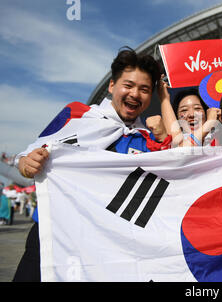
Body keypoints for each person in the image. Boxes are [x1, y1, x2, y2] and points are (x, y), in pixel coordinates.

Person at [13, 46, 170, 282]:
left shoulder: (148, 141)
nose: (135, 94)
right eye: (128, 85)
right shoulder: (76, 114)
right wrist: (26, 163)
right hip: (52, 235)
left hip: (109, 249)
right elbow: (29, 154)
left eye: (144, 89)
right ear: (112, 86)